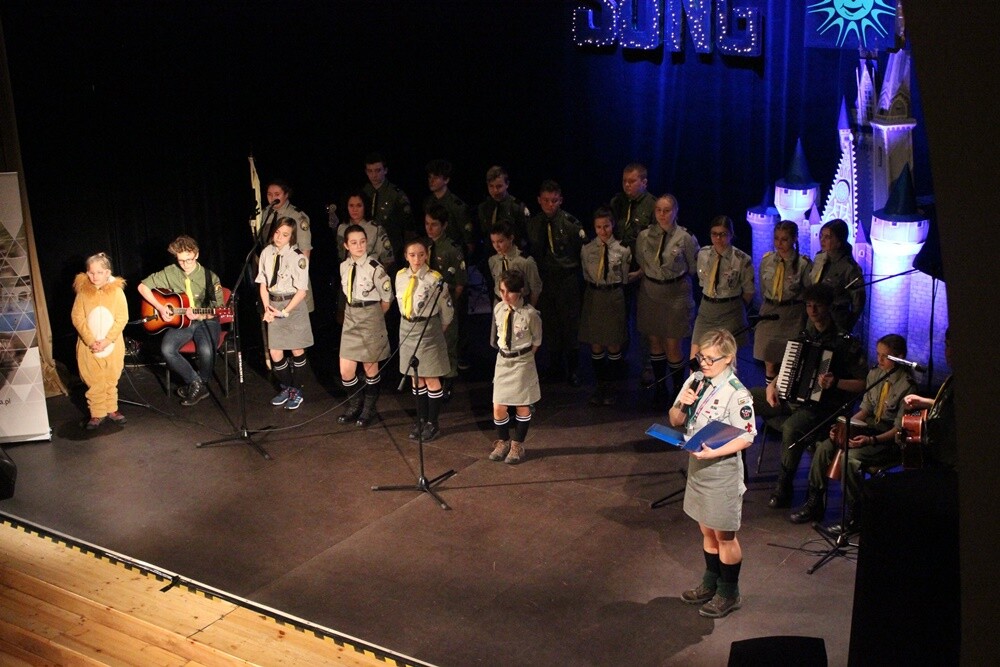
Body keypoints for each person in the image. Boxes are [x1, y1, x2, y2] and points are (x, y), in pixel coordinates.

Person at [751, 283, 867, 509]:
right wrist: (772, 385)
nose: (812, 311)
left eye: (818, 306)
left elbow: (863, 384)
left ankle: (784, 487)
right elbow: (787, 367)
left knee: (792, 428)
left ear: (828, 307)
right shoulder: (804, 336)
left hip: (822, 407)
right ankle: (736, 466)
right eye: (809, 306)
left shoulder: (845, 342)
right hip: (791, 399)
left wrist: (836, 383)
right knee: (745, 398)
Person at [668, 329, 756, 618]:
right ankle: (710, 582)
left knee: (725, 534)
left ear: (728, 358)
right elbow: (675, 418)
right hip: (698, 466)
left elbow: (747, 437)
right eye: (701, 357)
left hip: (721, 469)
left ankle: (729, 593)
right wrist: (684, 403)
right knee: (706, 528)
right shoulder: (695, 380)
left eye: (709, 359)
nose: (703, 363)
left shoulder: (737, 393)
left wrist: (712, 453)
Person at [789, 334, 917, 532]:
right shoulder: (875, 374)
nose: (880, 360)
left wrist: (870, 440)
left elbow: (898, 429)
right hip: (866, 429)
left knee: (850, 459)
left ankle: (853, 516)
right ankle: (814, 502)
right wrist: (845, 426)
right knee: (824, 447)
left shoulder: (907, 386)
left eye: (886, 357)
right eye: (878, 355)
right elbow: (865, 410)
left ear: (900, 357)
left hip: (885, 439)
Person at [138, 235, 223, 406]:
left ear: (196, 255)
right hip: (181, 321)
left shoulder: (209, 277)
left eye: (188, 260)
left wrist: (199, 315)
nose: (184, 264)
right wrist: (161, 308)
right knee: (167, 349)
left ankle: (201, 383)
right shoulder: (170, 271)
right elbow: (142, 287)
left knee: (206, 350)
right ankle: (197, 384)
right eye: (181, 260)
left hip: (206, 320)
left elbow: (218, 307)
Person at [635, 194, 699, 403]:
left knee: (673, 344)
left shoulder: (685, 238)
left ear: (675, 212)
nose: (662, 215)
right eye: (659, 210)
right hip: (651, 292)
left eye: (667, 210)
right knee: (655, 341)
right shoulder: (644, 236)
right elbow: (641, 262)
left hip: (675, 294)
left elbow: (692, 266)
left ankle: (679, 390)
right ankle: (660, 387)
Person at [526, 180, 585, 385]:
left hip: (566, 279)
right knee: (550, 323)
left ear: (560, 200)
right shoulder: (533, 223)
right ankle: (555, 367)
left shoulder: (570, 224)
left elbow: (581, 252)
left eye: (554, 201)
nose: (550, 205)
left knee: (570, 324)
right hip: (545, 279)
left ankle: (574, 369)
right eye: (545, 201)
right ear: (539, 201)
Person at [396, 238, 454, 442]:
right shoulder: (400, 276)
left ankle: (433, 422)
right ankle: (420, 420)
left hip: (428, 329)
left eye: (421, 254)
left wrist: (436, 329)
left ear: (426, 255)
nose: (417, 259)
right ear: (406, 256)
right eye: (412, 255)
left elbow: (446, 311)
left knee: (431, 377)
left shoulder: (435, 279)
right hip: (407, 327)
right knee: (415, 376)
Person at [579, 206, 637, 405]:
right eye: (598, 227)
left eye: (606, 226)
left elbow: (624, 276)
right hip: (595, 295)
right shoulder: (587, 250)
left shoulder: (622, 250)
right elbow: (586, 274)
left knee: (613, 342)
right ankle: (600, 386)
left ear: (612, 225)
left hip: (614, 295)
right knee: (596, 343)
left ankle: (613, 387)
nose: (603, 231)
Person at [337, 224, 393, 426]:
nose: (359, 246)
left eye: (362, 241)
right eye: (354, 242)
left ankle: (368, 409)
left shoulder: (375, 269)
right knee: (346, 370)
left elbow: (387, 299)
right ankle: (354, 405)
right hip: (351, 316)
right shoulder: (344, 266)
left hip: (370, 315)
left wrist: (374, 318)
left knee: (370, 368)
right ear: (346, 245)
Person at [256, 218, 313, 410]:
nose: (280, 237)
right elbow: (263, 284)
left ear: (292, 236)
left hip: (292, 306)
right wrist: (267, 309)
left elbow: (302, 291)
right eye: (278, 232)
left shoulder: (298, 257)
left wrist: (284, 312)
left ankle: (296, 390)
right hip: (273, 303)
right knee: (275, 352)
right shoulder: (266, 252)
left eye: (285, 234)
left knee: (297, 350)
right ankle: (286, 387)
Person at [489, 269, 542, 465]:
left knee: (522, 405)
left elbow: (537, 341)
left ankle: (517, 444)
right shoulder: (499, 309)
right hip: (503, 360)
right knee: (499, 406)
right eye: (502, 291)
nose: (505, 296)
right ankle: (503, 441)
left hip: (522, 361)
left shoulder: (530, 314)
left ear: (520, 291)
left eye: (509, 291)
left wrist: (524, 359)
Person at [72, 252, 128, 429]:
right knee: (94, 379)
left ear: (107, 273)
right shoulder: (83, 292)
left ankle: (112, 408)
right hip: (90, 346)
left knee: (111, 376)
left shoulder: (117, 292)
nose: (94, 276)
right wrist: (90, 341)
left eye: (99, 272)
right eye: (91, 272)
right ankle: (97, 413)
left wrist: (108, 340)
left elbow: (122, 317)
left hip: (112, 345)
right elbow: (77, 317)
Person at [754, 221, 813, 384]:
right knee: (769, 361)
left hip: (792, 315)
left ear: (794, 239)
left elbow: (809, 292)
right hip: (770, 312)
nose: (779, 243)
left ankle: (786, 398)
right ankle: (770, 396)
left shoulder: (803, 264)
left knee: (789, 363)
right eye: (776, 239)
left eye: (784, 239)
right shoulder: (767, 261)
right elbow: (762, 286)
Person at [691, 215, 755, 359]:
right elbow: (702, 281)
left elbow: (749, 291)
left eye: (723, 234)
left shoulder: (741, 259)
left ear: (731, 234)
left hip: (730, 313)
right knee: (696, 359)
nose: (718, 238)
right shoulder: (703, 253)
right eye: (714, 234)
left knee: (724, 359)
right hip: (707, 310)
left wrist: (735, 307)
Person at [425, 204, 468, 397]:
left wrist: (448, 304)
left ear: (444, 225)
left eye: (434, 224)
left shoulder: (451, 249)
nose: (430, 228)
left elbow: (459, 283)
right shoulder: (424, 246)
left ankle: (449, 379)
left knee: (448, 342)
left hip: (446, 303)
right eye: (427, 224)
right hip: (427, 304)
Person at [901, 327, 955, 470]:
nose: (948, 353)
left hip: (948, 461)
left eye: (952, 346)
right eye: (947, 345)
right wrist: (923, 401)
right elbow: (947, 406)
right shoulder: (951, 379)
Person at [259, 179, 314, 313]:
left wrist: (300, 279)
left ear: (286, 194)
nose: (273, 198)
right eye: (269, 194)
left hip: (291, 277)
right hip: (272, 278)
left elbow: (305, 250)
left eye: (277, 194)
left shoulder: (297, 217)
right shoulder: (266, 213)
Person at [809, 219, 864, 333]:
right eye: (821, 236)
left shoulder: (849, 267)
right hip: (815, 318)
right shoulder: (819, 258)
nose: (822, 240)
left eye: (828, 237)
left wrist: (847, 325)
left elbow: (858, 302)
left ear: (839, 241)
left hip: (835, 320)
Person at [363, 152, 414, 265]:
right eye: (370, 171)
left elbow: (408, 227)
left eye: (378, 170)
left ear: (385, 170)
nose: (374, 175)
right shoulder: (364, 192)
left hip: (392, 250)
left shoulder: (396, 195)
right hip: (369, 249)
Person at [424, 159, 474, 255]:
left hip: (453, 253)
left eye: (436, 177)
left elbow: (469, 241)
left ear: (446, 179)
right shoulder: (428, 202)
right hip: (433, 250)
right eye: (430, 177)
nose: (431, 181)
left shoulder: (456, 206)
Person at [334, 192, 394, 269]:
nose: (354, 209)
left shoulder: (375, 229)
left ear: (365, 206)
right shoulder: (342, 228)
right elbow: (339, 256)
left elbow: (387, 259)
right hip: (347, 274)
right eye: (351, 205)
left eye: (359, 205)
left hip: (370, 274)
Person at [478, 165, 531, 253]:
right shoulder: (483, 208)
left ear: (507, 184)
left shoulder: (517, 207)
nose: (495, 190)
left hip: (514, 255)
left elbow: (526, 236)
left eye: (499, 186)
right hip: (491, 256)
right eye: (491, 186)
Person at [488, 221, 541, 307]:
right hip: (500, 304)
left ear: (511, 238)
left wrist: (531, 308)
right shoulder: (493, 260)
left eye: (500, 241)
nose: (496, 246)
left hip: (521, 304)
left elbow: (536, 287)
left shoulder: (524, 261)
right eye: (493, 242)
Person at [609, 162, 656, 256]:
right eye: (624, 181)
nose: (626, 184)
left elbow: (656, 239)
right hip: (615, 256)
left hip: (639, 259)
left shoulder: (654, 205)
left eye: (631, 181)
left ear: (644, 182)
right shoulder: (616, 202)